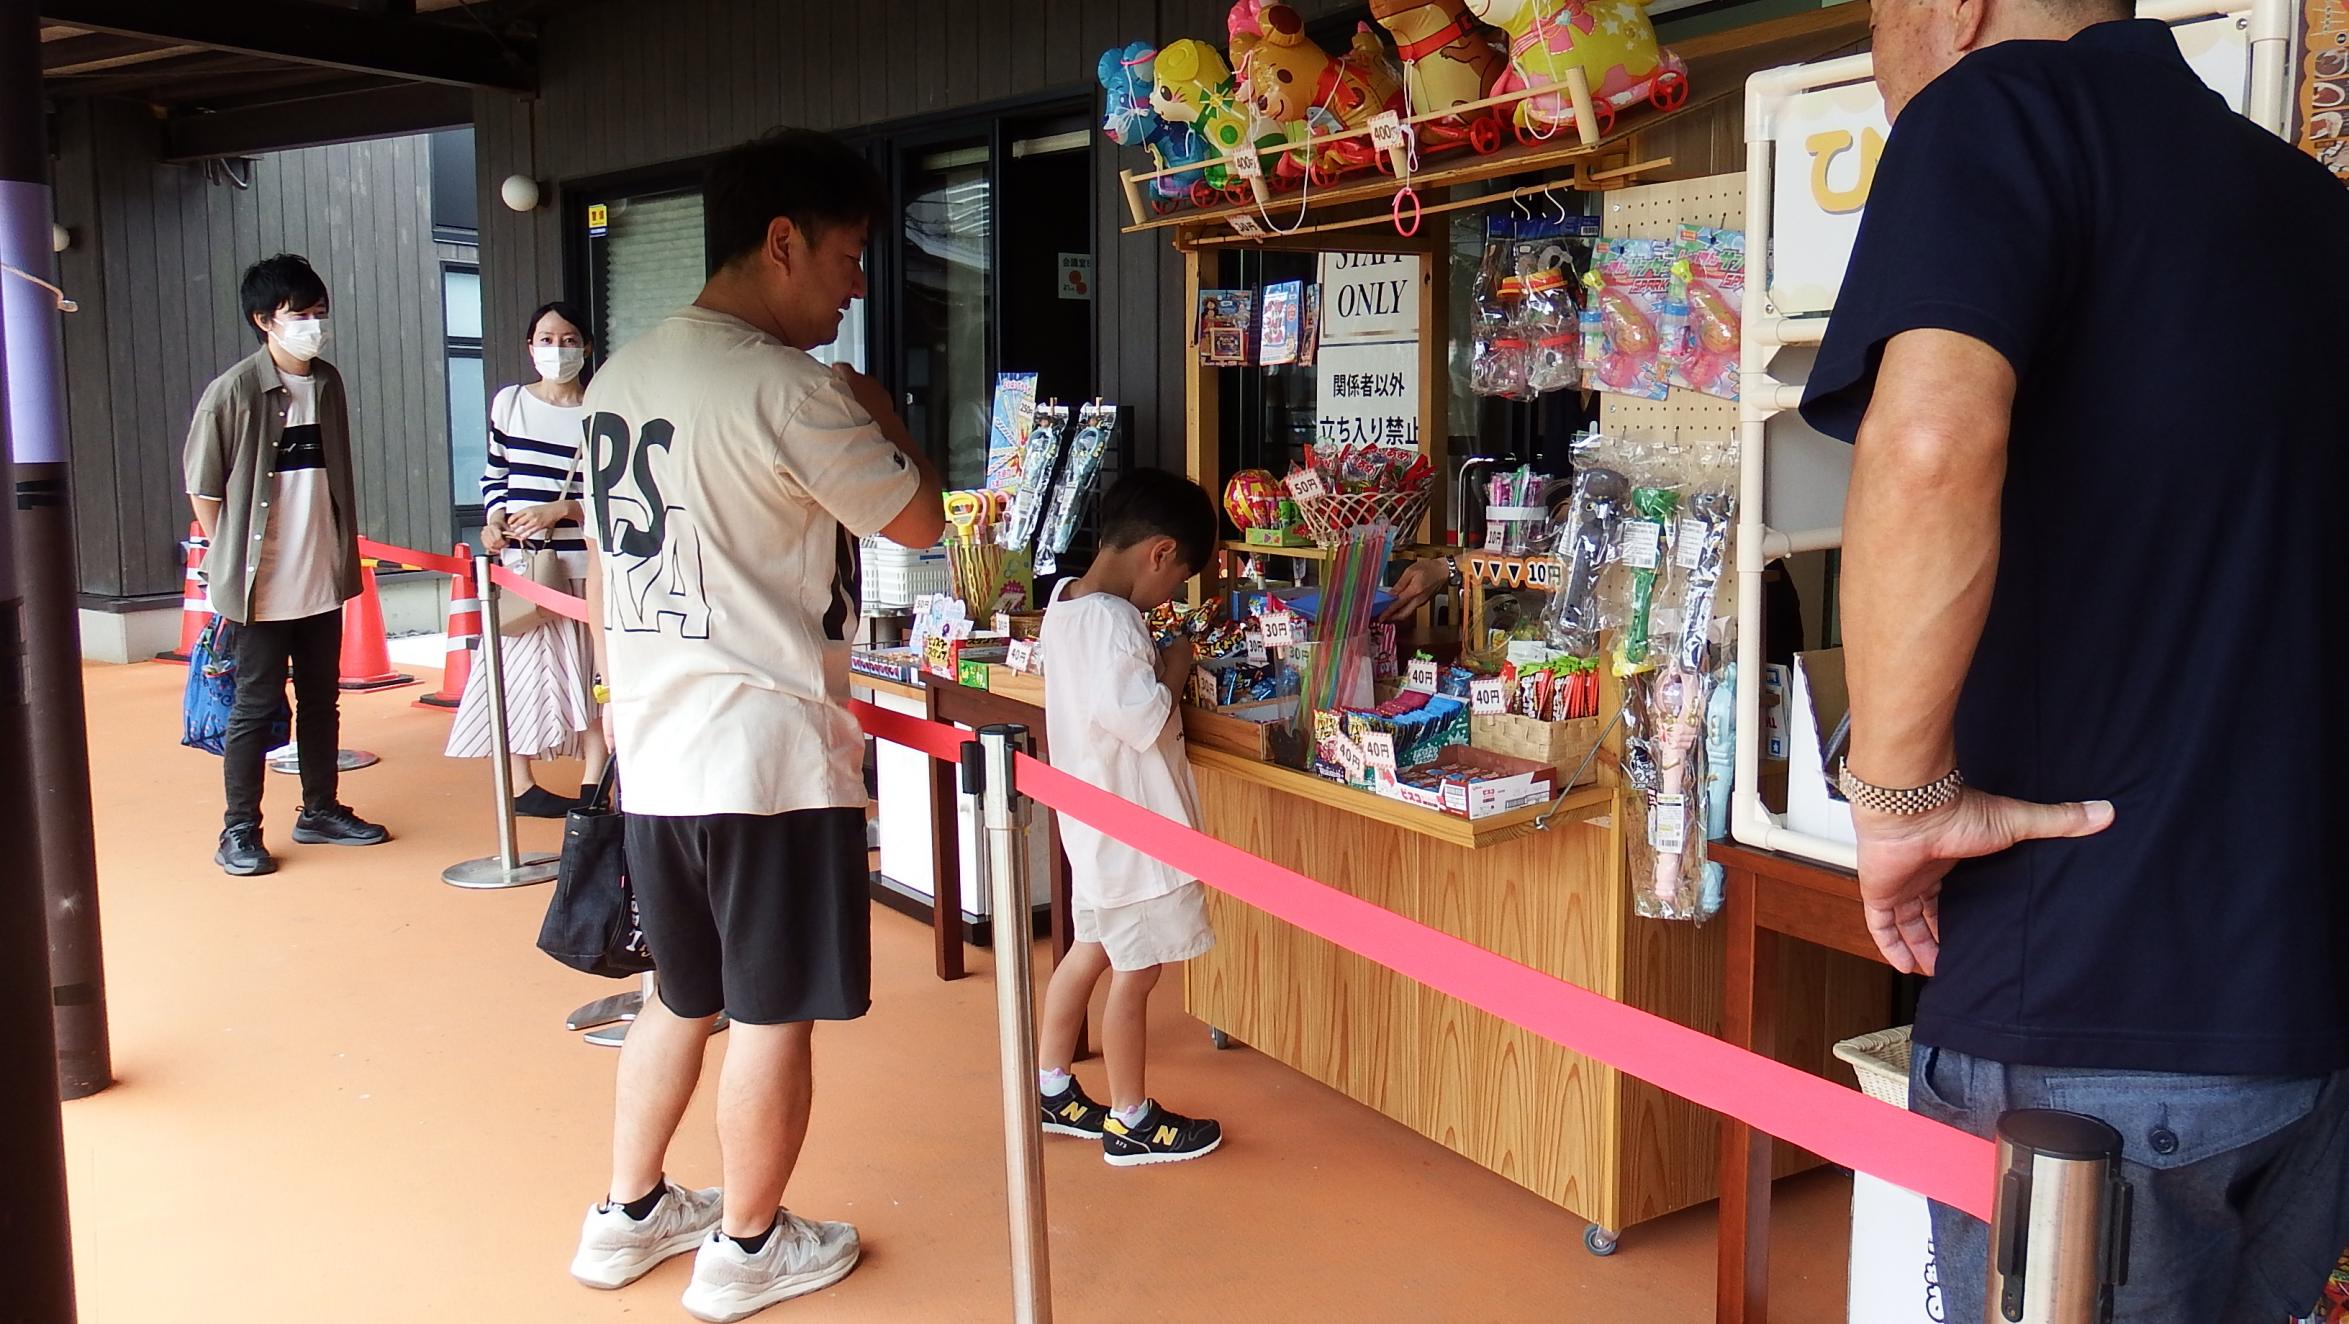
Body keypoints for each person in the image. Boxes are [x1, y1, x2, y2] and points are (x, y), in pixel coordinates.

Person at [1798, 1, 2349, 1319]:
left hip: (2085, 1019)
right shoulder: (2311, 208)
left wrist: (1898, 795)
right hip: (2302, 1017)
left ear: (1949, 8)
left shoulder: (1992, 114)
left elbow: (1926, 448)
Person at [566, 129, 943, 1323]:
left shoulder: (623, 373)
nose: (856, 285)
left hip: (659, 750)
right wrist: (880, 406)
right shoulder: (790, 387)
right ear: (781, 240)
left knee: (683, 992)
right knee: (770, 1007)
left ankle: (626, 1218)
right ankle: (747, 1243)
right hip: (768, 751)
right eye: (846, 256)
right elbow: (921, 520)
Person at [1032, 468, 1226, 1167]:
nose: (1168, 597)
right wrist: (1175, 660)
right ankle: (1130, 1118)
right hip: (1136, 836)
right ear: (1159, 552)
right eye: (1176, 582)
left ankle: (1052, 1086)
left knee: (1091, 949)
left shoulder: (1064, 604)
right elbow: (1143, 718)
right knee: (1135, 972)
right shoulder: (1117, 624)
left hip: (1093, 825)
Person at [183, 253, 388, 877]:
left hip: (319, 574)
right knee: (253, 706)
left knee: (324, 700)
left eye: (318, 314)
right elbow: (203, 486)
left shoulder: (327, 381)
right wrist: (230, 561)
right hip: (260, 585)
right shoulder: (233, 391)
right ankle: (239, 829)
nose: (312, 325)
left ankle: (320, 808)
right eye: (299, 314)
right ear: (263, 319)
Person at [445, 301, 607, 817]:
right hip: (521, 567)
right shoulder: (509, 403)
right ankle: (519, 783)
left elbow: (613, 492)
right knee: (515, 673)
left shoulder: (600, 410)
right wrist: (492, 522)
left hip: (580, 568)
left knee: (590, 672)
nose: (556, 350)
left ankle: (594, 778)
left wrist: (564, 509)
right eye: (545, 339)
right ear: (529, 346)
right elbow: (495, 474)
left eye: (567, 339)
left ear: (586, 346)